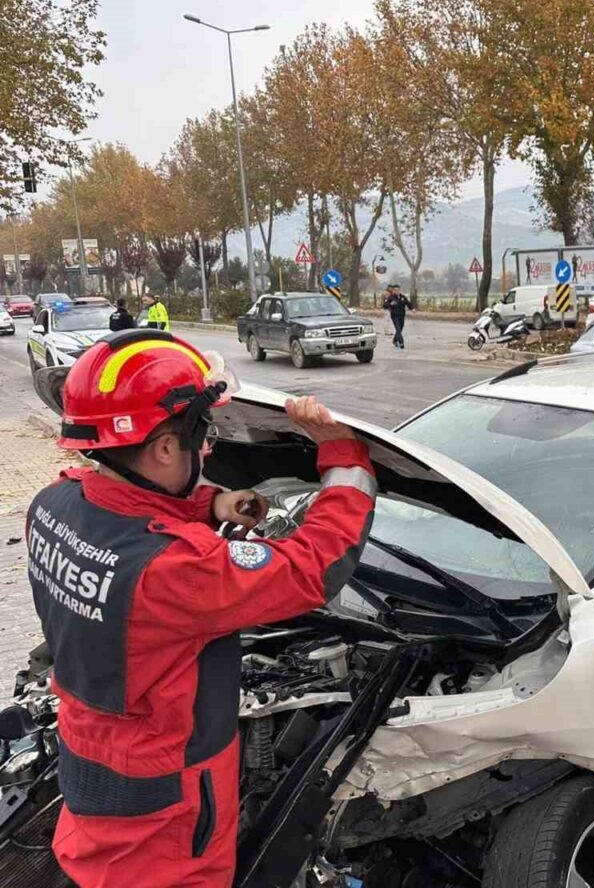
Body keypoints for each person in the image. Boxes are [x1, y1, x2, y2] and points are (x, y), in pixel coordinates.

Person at [25, 330, 377, 888]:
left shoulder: (53, 504)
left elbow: (130, 510)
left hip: (93, 760)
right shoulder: (176, 569)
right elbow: (313, 567)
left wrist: (209, 503)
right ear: (166, 448)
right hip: (167, 806)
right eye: (202, 436)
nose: (208, 448)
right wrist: (344, 457)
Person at [382, 283, 413, 349]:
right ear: (393, 291)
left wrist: (412, 309)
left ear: (400, 290)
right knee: (398, 329)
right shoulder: (391, 298)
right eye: (395, 290)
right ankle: (401, 342)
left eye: (398, 290)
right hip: (394, 316)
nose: (397, 291)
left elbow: (408, 303)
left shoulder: (403, 297)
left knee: (400, 329)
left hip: (402, 315)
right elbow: (385, 305)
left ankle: (395, 340)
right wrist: (390, 304)